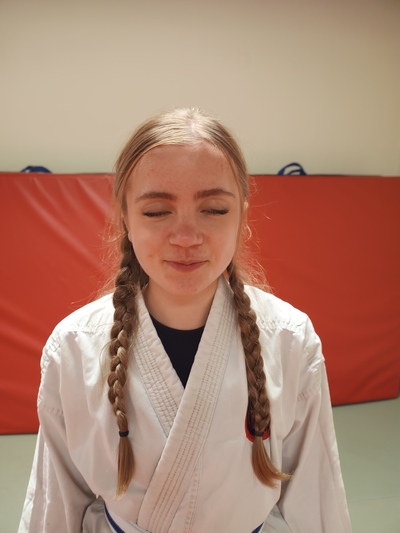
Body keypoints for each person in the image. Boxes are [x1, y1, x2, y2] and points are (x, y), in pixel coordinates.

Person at [19, 107, 352, 533]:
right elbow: (54, 505)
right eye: (157, 212)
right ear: (125, 217)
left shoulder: (290, 340)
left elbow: (318, 499)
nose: (186, 237)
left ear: (241, 214)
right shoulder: (73, 347)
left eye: (213, 209)